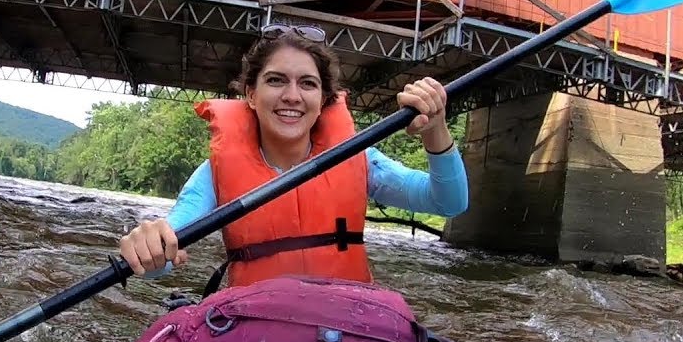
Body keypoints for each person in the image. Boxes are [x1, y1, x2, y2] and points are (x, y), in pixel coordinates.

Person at [118, 22, 468, 290]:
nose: (292, 96)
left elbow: (449, 202)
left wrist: (435, 128)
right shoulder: (214, 175)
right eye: (275, 81)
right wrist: (150, 248)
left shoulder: (361, 159)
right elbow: (166, 251)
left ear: (323, 102)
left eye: (308, 84)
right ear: (251, 96)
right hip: (258, 334)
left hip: (345, 328)